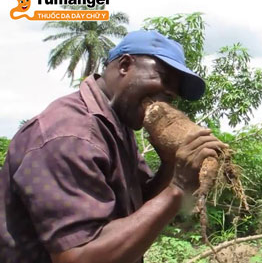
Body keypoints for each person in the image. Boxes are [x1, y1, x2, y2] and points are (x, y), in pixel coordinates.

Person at [0, 30, 226, 263]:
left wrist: (170, 164)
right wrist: (178, 187)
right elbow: (78, 256)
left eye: (172, 95)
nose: (167, 97)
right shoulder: (71, 136)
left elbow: (140, 207)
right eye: (163, 80)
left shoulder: (115, 125)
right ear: (125, 65)